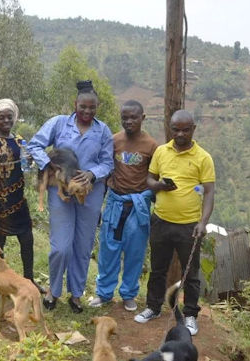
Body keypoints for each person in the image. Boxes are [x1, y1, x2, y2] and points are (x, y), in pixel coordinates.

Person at [27, 80, 114, 313]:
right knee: (61, 247)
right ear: (74, 104)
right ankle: (53, 291)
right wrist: (51, 167)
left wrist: (92, 174)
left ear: (97, 107)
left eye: (92, 108)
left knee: (82, 246)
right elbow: (35, 145)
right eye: (82, 107)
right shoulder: (58, 124)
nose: (87, 112)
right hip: (61, 192)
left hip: (90, 194)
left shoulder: (103, 131)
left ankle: (76, 295)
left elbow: (108, 162)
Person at [134, 109, 215, 336]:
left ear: (193, 130)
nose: (180, 134)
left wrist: (203, 222)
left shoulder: (203, 158)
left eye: (185, 130)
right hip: (161, 220)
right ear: (170, 129)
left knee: (190, 273)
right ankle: (153, 307)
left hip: (189, 225)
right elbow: (150, 180)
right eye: (176, 129)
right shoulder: (161, 152)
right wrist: (160, 186)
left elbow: (209, 192)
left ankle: (190, 315)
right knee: (158, 268)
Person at [89, 100, 157, 312]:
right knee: (109, 249)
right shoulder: (114, 141)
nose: (129, 121)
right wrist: (99, 205)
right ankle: (104, 293)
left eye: (133, 117)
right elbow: (106, 171)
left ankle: (128, 294)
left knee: (135, 251)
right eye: (125, 118)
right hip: (115, 202)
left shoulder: (151, 146)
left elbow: (155, 177)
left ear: (142, 118)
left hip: (138, 205)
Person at [0, 98, 45, 294]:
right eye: (1, 117)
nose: (6, 120)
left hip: (18, 201)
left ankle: (29, 280)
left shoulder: (19, 141)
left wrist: (31, 160)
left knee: (27, 240)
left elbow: (28, 165)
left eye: (9, 117)